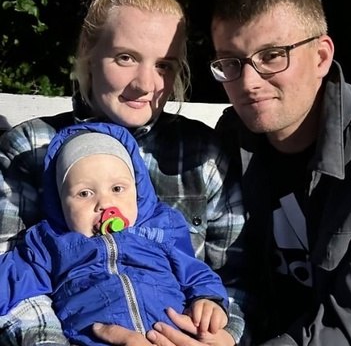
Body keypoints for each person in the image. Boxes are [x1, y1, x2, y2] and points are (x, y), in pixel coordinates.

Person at [91, 0, 351, 346]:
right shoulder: (229, 140)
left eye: (272, 56)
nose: (249, 83)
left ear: (321, 56)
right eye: (231, 62)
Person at [0, 0, 246, 346]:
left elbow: (236, 276)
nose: (145, 84)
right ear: (89, 51)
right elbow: (12, 282)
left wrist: (224, 334)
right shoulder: (30, 148)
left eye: (164, 65)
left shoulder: (203, 155)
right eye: (125, 58)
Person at [0, 122, 229, 346]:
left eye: (117, 189)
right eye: (84, 193)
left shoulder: (162, 227)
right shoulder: (48, 242)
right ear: (60, 202)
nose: (105, 203)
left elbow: (195, 272)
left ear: (137, 190)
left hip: (171, 336)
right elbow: (12, 279)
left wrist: (208, 299)